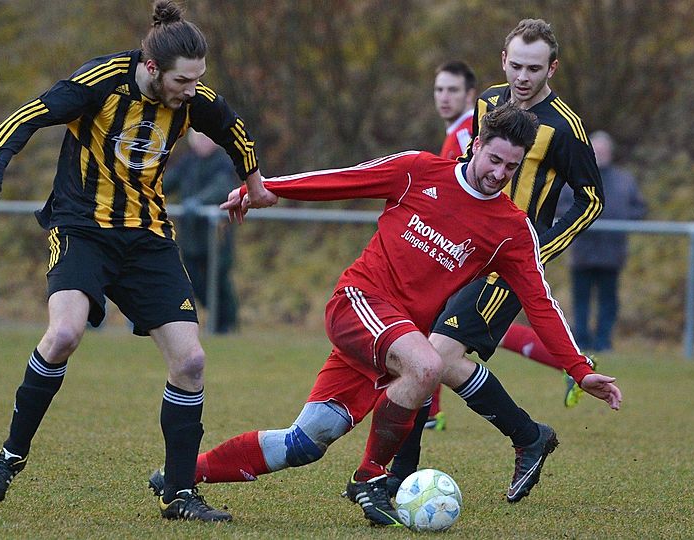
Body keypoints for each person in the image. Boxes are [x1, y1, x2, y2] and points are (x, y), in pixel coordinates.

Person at [148, 105, 623, 526]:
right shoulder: (418, 171)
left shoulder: (510, 229)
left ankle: (182, 473)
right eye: (494, 159)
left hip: (395, 340)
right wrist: (266, 188)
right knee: (428, 365)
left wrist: (580, 371)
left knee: (306, 442)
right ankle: (371, 479)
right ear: (475, 145)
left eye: (511, 167)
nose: (499, 173)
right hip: (358, 302)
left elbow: (540, 302)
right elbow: (343, 179)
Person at [0, 0, 276, 523]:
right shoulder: (101, 81)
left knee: (192, 362)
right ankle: (9, 457)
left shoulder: (191, 98)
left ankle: (179, 495)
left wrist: (256, 186)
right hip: (82, 227)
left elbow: (232, 129)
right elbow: (29, 115)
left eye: (198, 80)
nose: (191, 90)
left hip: (147, 237)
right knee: (63, 335)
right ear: (152, 68)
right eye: (182, 80)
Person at [388, 18, 606, 491]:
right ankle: (525, 437)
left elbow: (591, 199)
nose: (523, 78)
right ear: (503, 61)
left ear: (552, 68)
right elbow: (469, 169)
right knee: (419, 352)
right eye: (516, 66)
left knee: (434, 356)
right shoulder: (487, 102)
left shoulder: (563, 128)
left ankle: (402, 475)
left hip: (505, 263)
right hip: (458, 252)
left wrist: (538, 252)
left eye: (535, 68)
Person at [425, 60, 479, 431]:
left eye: (453, 90)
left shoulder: (465, 136)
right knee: (451, 325)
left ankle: (428, 411)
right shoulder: (456, 132)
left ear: (469, 95)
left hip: (460, 250)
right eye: (440, 90)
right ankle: (428, 412)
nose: (445, 97)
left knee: (445, 325)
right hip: (452, 247)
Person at [557, 131, 646, 352]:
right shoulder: (575, 178)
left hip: (612, 253)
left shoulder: (624, 180)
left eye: (604, 151)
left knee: (608, 301)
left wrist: (621, 220)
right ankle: (582, 341)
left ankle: (603, 342)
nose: (600, 155)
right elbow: (559, 206)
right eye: (596, 150)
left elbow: (639, 208)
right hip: (582, 253)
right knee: (581, 302)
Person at [162, 129, 241, 334]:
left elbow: (222, 187)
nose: (203, 143)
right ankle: (215, 319)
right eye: (199, 139)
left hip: (216, 236)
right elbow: (166, 183)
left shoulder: (222, 163)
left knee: (219, 279)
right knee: (195, 280)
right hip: (191, 237)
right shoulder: (187, 163)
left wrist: (200, 202)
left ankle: (227, 323)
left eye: (207, 139)